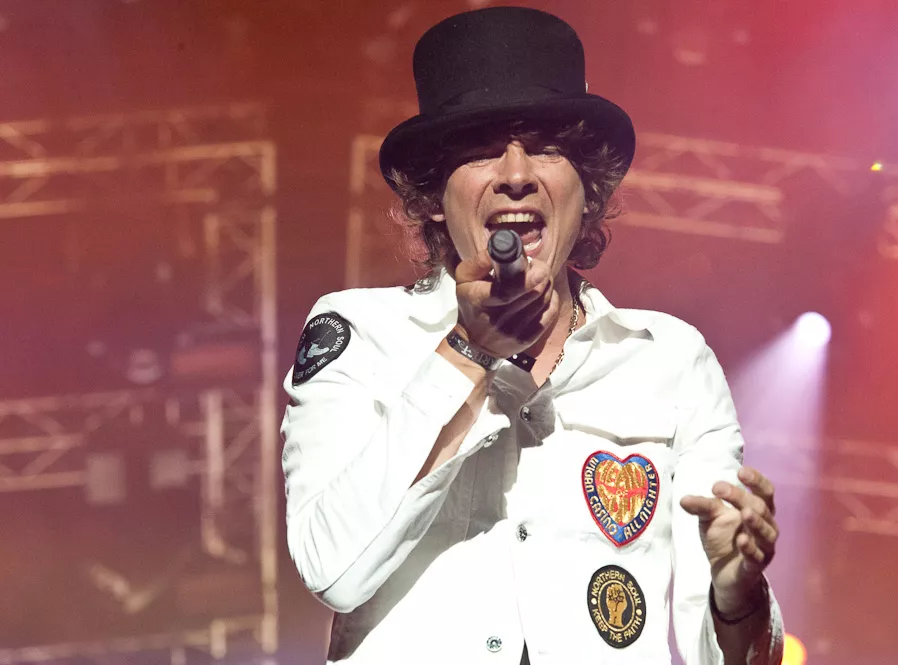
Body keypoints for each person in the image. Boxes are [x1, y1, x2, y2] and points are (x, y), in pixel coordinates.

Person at [281, 6, 784, 664]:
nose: (516, 173)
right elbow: (331, 568)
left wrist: (738, 598)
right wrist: (465, 354)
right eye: (481, 147)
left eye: (546, 146)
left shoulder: (670, 360)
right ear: (433, 197)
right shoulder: (361, 332)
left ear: (587, 189)